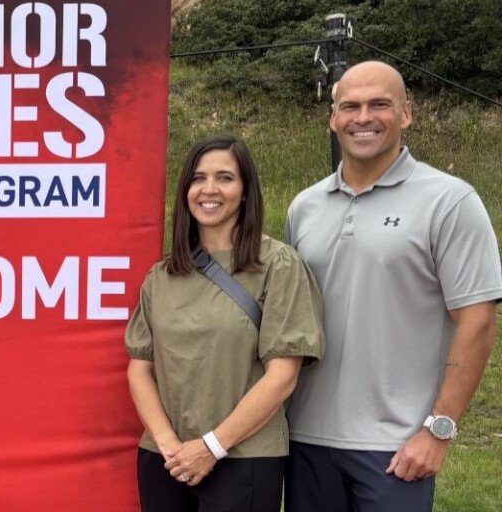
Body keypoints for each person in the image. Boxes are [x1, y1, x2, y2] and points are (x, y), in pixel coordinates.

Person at [284, 61, 501, 512]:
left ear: (406, 113)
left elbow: (477, 322)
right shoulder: (304, 207)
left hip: (396, 448)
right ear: (332, 119)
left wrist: (439, 429)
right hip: (304, 439)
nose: (363, 117)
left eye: (379, 104)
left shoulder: (449, 201)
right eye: (350, 106)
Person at [125, 134, 325, 512]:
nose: (209, 189)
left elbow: (283, 375)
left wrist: (211, 446)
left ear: (246, 190)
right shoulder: (161, 276)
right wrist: (170, 445)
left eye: (225, 178)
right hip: (165, 458)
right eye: (198, 178)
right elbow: (140, 369)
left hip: (242, 457)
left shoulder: (278, 266)